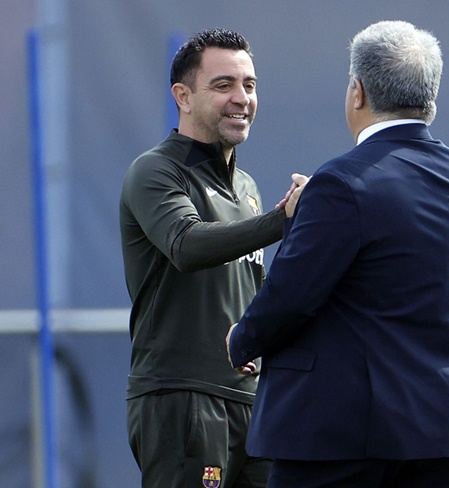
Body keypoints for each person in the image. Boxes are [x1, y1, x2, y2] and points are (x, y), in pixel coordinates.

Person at [226, 20, 449, 488]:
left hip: (342, 439)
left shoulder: (341, 184)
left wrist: (241, 339)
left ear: (358, 92)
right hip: (442, 432)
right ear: (430, 97)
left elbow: (293, 294)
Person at [120, 28, 306, 488]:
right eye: (224, 85)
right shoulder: (156, 170)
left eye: (249, 84)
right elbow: (186, 244)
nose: (242, 98)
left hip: (252, 402)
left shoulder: (246, 187)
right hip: (183, 397)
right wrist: (282, 220)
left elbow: (252, 291)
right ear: (182, 96)